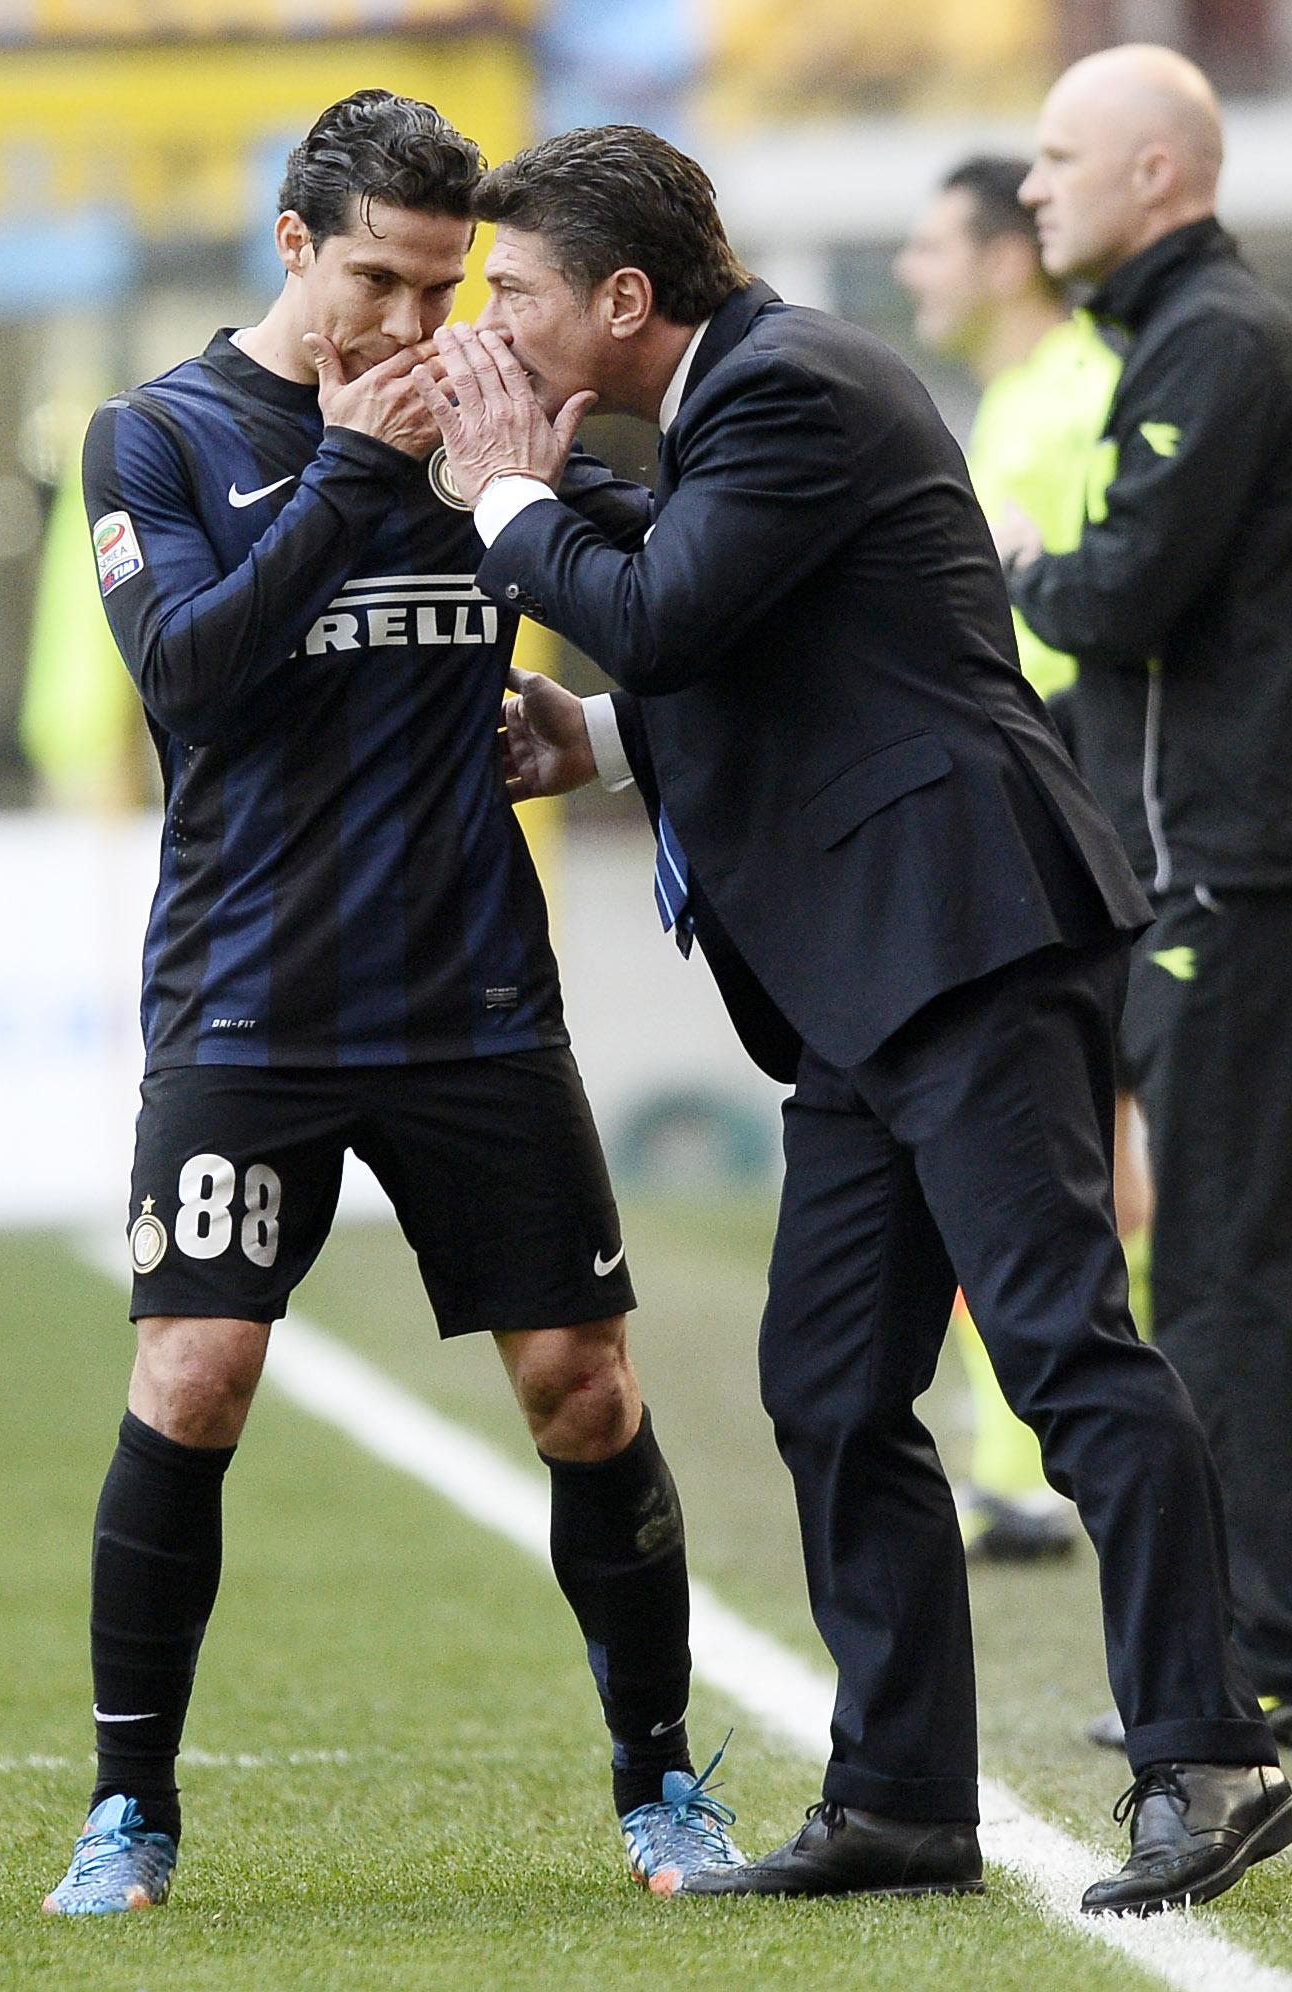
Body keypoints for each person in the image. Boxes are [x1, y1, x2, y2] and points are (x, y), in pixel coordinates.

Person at [410, 121, 1292, 1916]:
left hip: (962, 940)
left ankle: (1209, 1753)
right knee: (828, 1383)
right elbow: (764, 653)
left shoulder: (795, 385)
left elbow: (665, 607)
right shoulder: (744, 400)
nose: (494, 327)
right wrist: (591, 734)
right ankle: (901, 1800)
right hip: (870, 977)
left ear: (627, 298)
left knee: (1060, 1350)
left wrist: (507, 496)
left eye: (517, 291)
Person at [41, 90, 744, 1919]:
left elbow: (685, 585)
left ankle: (661, 1781)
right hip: (248, 1000)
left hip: (474, 993)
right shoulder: (163, 435)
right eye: (379, 281)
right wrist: (357, 468)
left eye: (446, 290)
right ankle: (131, 1809)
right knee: (194, 1378)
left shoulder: (486, 419)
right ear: (294, 247)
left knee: (584, 1392)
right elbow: (194, 682)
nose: (416, 332)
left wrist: (597, 717)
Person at [996, 43, 1292, 1756]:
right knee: (1236, 1260)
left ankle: (1250, 1649)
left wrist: (1029, 562)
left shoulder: (1219, 340)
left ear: (1161, 176)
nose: (1034, 188)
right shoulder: (1177, 337)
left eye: (1056, 157)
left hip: (1228, 879)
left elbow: (1123, 595)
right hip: (1216, 870)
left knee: (1226, 1272)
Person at [895, 155, 1128, 1562]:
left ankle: (1076, 1459)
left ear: (1000, 259)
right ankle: (1026, 1461)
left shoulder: (1090, 392)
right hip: (1026, 780)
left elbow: (1121, 599)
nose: (912, 269)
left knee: (1102, 1155)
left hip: (1079, 779)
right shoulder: (1008, 402)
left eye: (929, 243)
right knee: (1045, 1152)